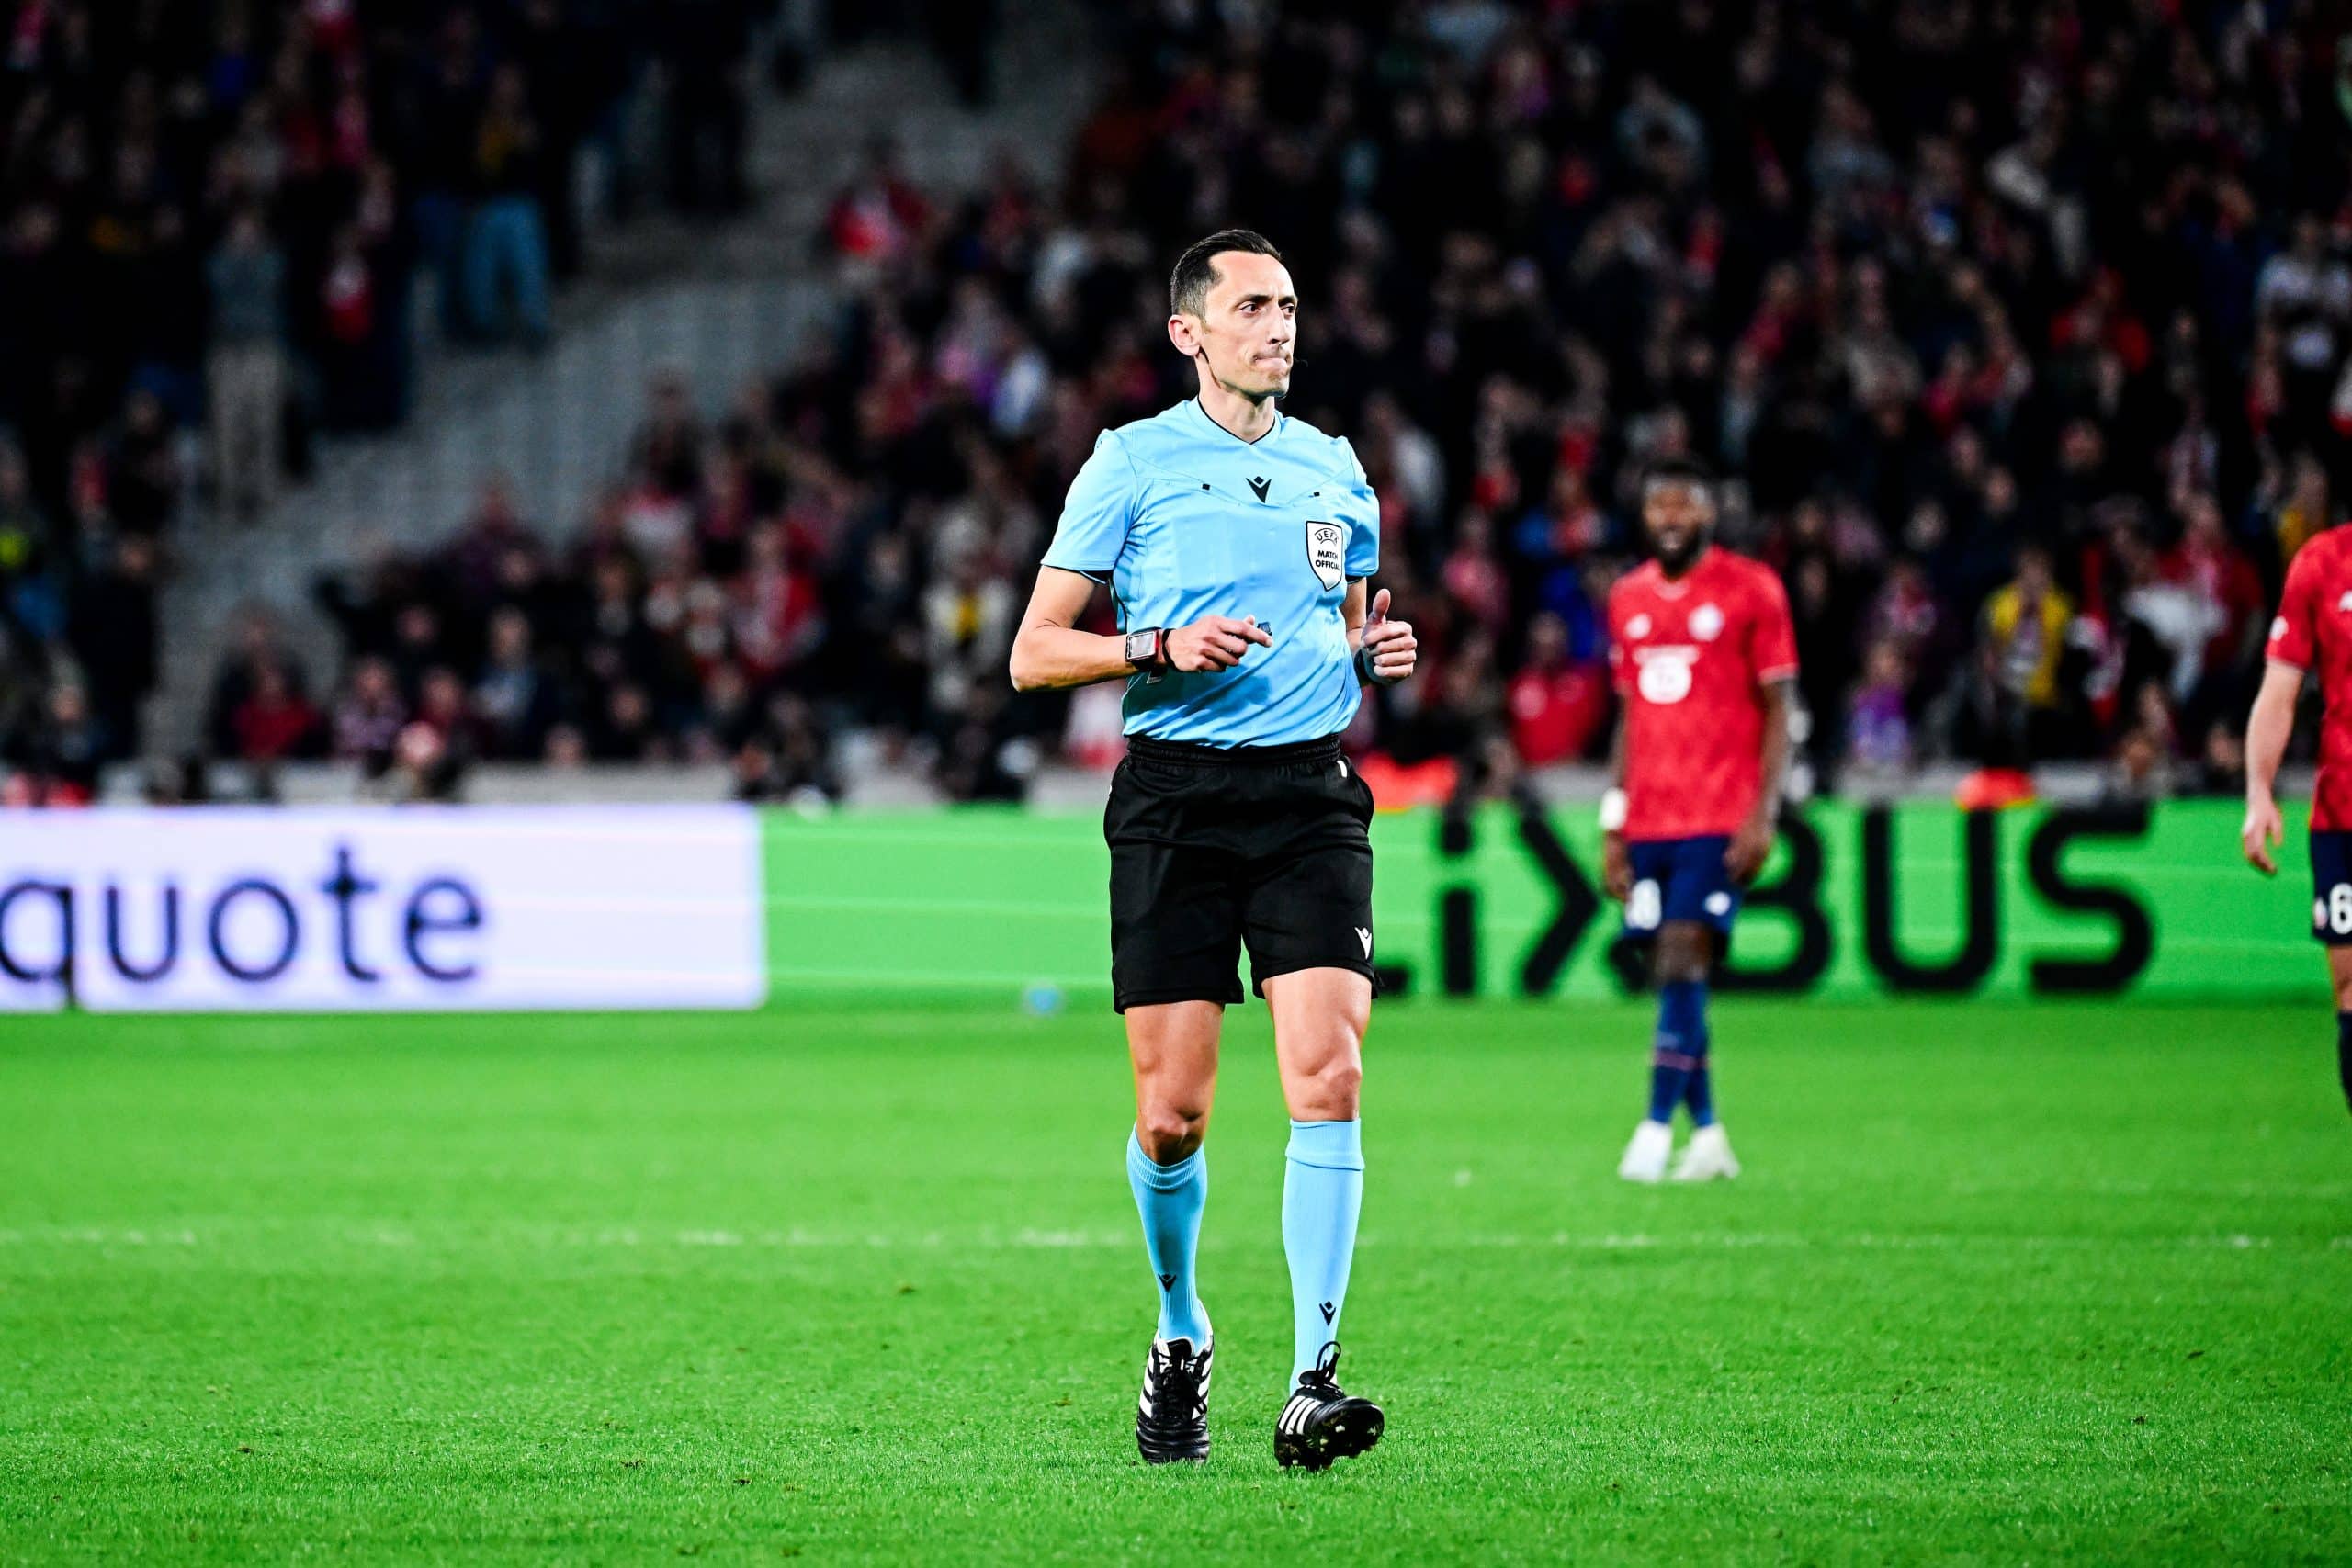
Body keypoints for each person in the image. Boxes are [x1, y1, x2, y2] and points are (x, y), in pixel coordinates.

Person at [1007, 231, 1417, 1471]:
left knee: (1327, 1072)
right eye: (1251, 307)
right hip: (1175, 800)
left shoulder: (1335, 470)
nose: (1278, 326)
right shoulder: (1131, 464)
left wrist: (1369, 651)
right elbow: (1033, 650)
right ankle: (1182, 1324)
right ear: (1190, 332)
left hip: (1306, 797)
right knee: (1174, 1115)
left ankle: (1313, 1376)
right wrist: (1155, 646)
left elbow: (1345, 615)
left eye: (1289, 305)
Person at [1601, 457, 1798, 1183]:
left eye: (1687, 504)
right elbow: (1628, 712)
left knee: (1684, 956)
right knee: (1670, 971)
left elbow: (1781, 706)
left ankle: (1655, 1128)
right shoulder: (1627, 597)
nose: (1673, 517)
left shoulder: (1752, 589)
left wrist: (1764, 812)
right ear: (1647, 516)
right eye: (1661, 506)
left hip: (1718, 813)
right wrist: (1613, 820)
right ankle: (1709, 1133)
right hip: (1649, 815)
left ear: (1710, 512)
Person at [2240, 525, 2352, 1116]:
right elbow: (2279, 692)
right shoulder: (2322, 562)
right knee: (2351, 991)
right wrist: (2259, 791)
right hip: (2342, 817)